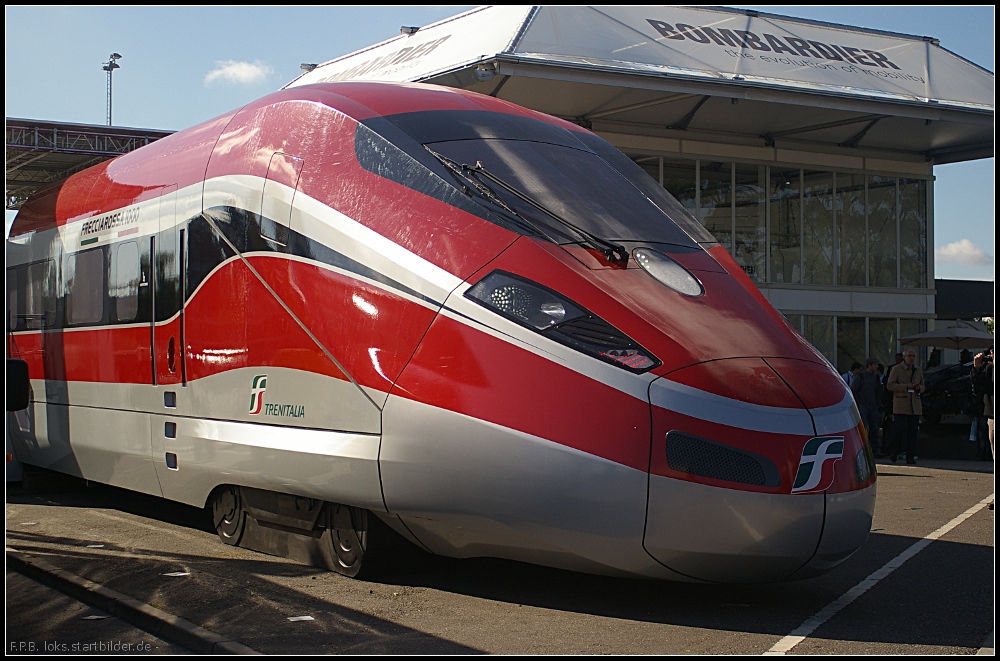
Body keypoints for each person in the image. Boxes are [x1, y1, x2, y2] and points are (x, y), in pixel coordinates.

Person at [886, 349, 926, 464]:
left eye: (914, 356)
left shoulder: (918, 370)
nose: (912, 358)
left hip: (914, 406)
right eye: (909, 356)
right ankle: (895, 452)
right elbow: (890, 385)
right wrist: (905, 386)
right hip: (901, 405)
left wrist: (919, 388)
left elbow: (923, 385)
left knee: (912, 433)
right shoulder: (896, 369)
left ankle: (910, 456)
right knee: (899, 430)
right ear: (904, 357)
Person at [852, 357, 883, 454]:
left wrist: (878, 404)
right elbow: (853, 390)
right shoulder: (860, 377)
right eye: (875, 365)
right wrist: (859, 404)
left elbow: (878, 391)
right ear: (869, 365)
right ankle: (863, 450)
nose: (877, 367)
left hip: (872, 406)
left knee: (874, 428)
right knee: (863, 428)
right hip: (863, 406)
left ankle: (874, 449)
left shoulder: (876, 377)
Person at [970, 346, 994, 463]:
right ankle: (983, 454)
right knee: (989, 436)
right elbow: (977, 385)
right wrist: (976, 367)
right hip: (990, 410)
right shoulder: (988, 368)